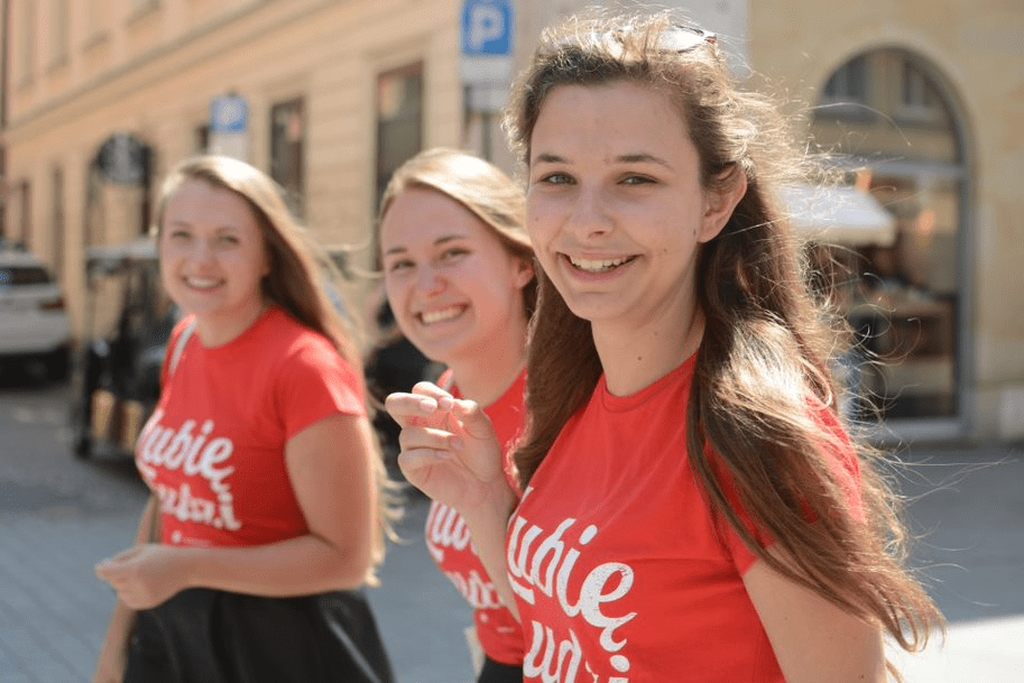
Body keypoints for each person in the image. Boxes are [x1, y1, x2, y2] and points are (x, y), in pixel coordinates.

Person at [385, 11, 944, 683]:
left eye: (635, 179)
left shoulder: (755, 437)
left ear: (716, 201)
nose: (587, 221)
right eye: (557, 178)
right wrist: (484, 501)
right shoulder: (573, 397)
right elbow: (562, 634)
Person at [94, 155, 396, 683]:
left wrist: (184, 567)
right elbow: (168, 498)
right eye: (181, 235)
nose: (200, 259)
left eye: (227, 240)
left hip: (281, 646)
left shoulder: (304, 366)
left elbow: (346, 559)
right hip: (173, 633)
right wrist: (117, 644)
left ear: (265, 256)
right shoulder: (185, 340)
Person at [375, 148, 534, 682]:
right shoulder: (448, 394)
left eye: (451, 253)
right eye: (401, 264)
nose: (425, 286)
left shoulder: (572, 401)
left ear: (521, 262)